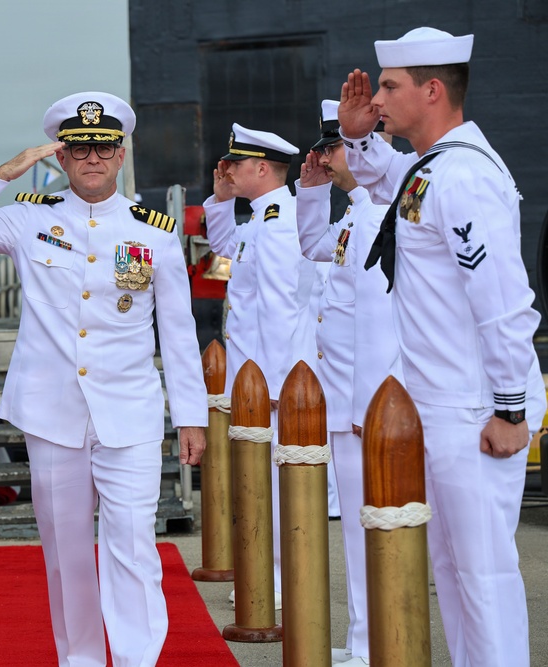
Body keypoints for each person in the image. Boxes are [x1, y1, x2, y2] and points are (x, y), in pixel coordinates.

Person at [0, 91, 207, 667]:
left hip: (127, 412)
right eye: (79, 149)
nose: (93, 159)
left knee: (132, 545)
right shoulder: (30, 217)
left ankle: (136, 660)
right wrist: (6, 171)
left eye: (104, 148)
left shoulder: (153, 233)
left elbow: (177, 333)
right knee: (67, 552)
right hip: (51, 413)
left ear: (121, 153)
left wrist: (192, 416)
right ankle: (79, 660)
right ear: (62, 157)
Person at [339, 27, 547, 666]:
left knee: (483, 578)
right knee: (454, 574)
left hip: (475, 407)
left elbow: (505, 303)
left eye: (391, 88)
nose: (379, 100)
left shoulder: (465, 177)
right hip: (439, 406)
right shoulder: (432, 167)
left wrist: (512, 410)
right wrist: (352, 135)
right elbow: (383, 176)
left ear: (432, 90)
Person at [295, 99, 398, 667]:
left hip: (363, 408)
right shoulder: (354, 213)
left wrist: (366, 405)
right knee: (361, 534)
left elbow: (378, 322)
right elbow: (311, 248)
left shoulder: (380, 211)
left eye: (330, 149)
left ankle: (374, 645)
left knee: (371, 533)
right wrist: (311, 191)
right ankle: (365, 642)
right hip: (345, 405)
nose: (324, 159)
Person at [203, 123, 318, 600]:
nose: (227, 169)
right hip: (255, 379)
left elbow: (279, 307)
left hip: (269, 380)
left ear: (262, 168)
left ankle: (272, 581)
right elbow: (227, 249)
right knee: (257, 479)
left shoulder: (280, 221)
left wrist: (272, 384)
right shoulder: (261, 218)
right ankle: (262, 575)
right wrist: (219, 200)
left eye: (236, 164)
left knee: (271, 483)